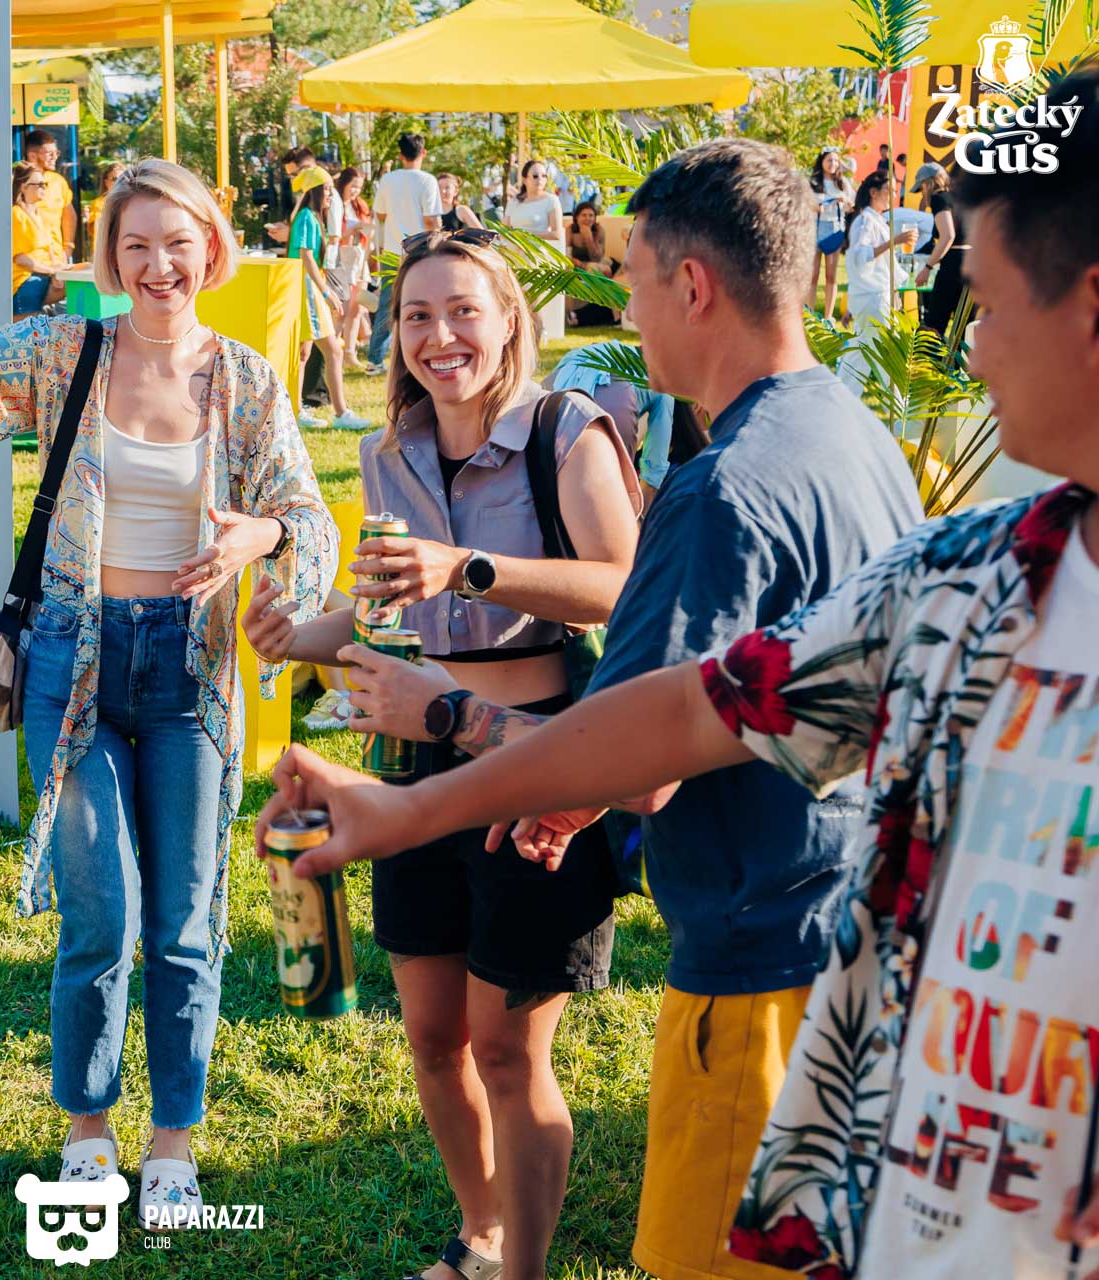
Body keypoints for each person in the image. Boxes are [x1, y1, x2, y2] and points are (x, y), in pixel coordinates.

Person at [266, 70, 1099, 1280]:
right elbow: (702, 706)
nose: (969, 336)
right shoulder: (950, 524)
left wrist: (443, 736)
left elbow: (652, 751)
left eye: (986, 292)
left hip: (768, 959)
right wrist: (419, 800)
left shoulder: (727, 488)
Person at [0, 157, 335, 1227]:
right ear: (111, 259)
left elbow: (306, 516)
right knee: (99, 916)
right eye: (136, 245)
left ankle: (173, 1140)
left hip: (191, 675)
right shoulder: (67, 348)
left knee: (183, 921)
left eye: (179, 243)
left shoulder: (247, 379)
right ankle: (87, 1128)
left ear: (212, 250)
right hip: (71, 659)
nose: (160, 264)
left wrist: (259, 535)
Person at [244, 227, 644, 1280]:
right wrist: (298, 636)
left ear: (509, 319)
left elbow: (620, 584)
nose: (439, 335)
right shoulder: (392, 451)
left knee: (508, 1049)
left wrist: (468, 566)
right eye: (417, 315)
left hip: (537, 757)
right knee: (432, 1038)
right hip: (414, 763)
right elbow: (390, 610)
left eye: (464, 310)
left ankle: (525, 1271)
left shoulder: (565, 431)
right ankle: (482, 1235)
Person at [545, 341, 707, 503]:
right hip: (606, 405)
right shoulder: (662, 387)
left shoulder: (602, 354)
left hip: (554, 390)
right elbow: (652, 475)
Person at [286, 182, 364, 431]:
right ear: (314, 190)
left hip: (304, 288)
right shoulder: (307, 217)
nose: (331, 194)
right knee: (333, 351)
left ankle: (296, 410)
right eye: (327, 189)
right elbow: (306, 256)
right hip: (307, 289)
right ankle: (341, 412)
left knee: (303, 353)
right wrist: (326, 292)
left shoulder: (308, 216)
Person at [368, 132, 442, 371]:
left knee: (387, 305)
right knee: (423, 304)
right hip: (419, 252)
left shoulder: (388, 180)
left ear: (400, 155)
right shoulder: (427, 181)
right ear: (424, 153)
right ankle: (418, 354)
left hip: (392, 251)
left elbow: (380, 214)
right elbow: (431, 220)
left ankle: (374, 359)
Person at [840, 171, 917, 390]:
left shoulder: (877, 220)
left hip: (875, 296)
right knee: (886, 355)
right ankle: (897, 406)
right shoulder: (865, 221)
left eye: (895, 191)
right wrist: (895, 240)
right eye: (889, 190)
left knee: (859, 354)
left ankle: (841, 398)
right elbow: (860, 256)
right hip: (873, 298)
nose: (893, 195)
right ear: (873, 192)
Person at [505, 160, 566, 340]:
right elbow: (505, 228)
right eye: (535, 175)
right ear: (525, 179)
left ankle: (537, 338)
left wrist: (527, 235)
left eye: (544, 175)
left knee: (533, 301)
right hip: (513, 255)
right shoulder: (514, 202)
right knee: (513, 300)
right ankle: (517, 340)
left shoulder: (550, 200)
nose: (540, 179)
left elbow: (556, 233)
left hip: (534, 257)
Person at [912, 161, 970, 337]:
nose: (922, 193)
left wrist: (927, 268)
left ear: (927, 183)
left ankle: (932, 356)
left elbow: (948, 236)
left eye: (921, 188)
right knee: (965, 327)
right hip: (970, 261)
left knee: (933, 327)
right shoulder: (957, 198)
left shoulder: (938, 199)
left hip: (952, 265)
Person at [10, 162, 65, 319]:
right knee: (28, 330)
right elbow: (20, 258)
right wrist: (52, 271)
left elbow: (49, 249)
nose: (44, 188)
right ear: (23, 187)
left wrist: (56, 272)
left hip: (42, 277)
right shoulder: (16, 214)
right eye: (39, 184)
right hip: (25, 280)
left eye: (45, 184)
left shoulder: (40, 214)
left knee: (77, 283)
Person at [809, 149, 855, 320]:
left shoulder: (843, 183)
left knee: (831, 275)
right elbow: (808, 203)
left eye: (836, 161)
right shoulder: (813, 182)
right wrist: (823, 204)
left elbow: (852, 205)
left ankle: (828, 317)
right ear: (821, 161)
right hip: (814, 228)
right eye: (829, 160)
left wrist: (847, 203)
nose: (833, 164)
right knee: (812, 275)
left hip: (834, 229)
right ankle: (810, 315)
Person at [336, 165, 375, 355]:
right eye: (352, 186)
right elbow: (332, 235)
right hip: (342, 258)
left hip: (359, 258)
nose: (355, 191)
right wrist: (352, 230)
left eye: (359, 187)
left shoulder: (360, 206)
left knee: (358, 308)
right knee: (341, 309)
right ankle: (334, 349)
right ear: (343, 184)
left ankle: (350, 352)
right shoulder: (335, 204)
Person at [23, 129, 76, 262]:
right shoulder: (18, 182)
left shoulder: (58, 181)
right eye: (50, 153)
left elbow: (69, 215)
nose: (55, 157)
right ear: (32, 156)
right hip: (28, 262)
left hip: (56, 259)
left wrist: (68, 248)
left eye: (56, 153)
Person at [564, 201, 618, 326]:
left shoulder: (599, 230)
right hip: (578, 265)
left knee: (596, 268)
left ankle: (589, 313)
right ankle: (572, 314)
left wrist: (588, 237)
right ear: (576, 217)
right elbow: (566, 255)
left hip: (596, 263)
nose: (587, 219)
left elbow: (597, 257)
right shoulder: (570, 231)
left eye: (591, 215)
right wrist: (578, 263)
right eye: (584, 215)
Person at [83, 161, 126, 257]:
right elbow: (95, 233)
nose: (119, 182)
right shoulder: (98, 204)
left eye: (122, 179)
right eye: (115, 179)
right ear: (106, 182)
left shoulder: (133, 203)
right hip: (106, 254)